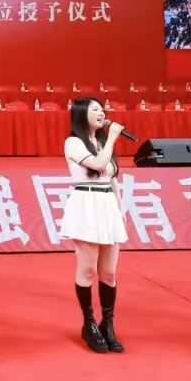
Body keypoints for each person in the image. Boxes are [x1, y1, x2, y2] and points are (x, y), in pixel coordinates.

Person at [58, 97, 128, 353]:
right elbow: (98, 165)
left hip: (107, 205)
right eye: (95, 110)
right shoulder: (74, 142)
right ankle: (88, 323)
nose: (101, 113)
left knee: (108, 272)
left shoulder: (101, 141)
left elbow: (112, 178)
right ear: (81, 114)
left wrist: (120, 209)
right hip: (86, 204)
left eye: (102, 109)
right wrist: (112, 138)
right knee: (87, 270)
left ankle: (107, 323)